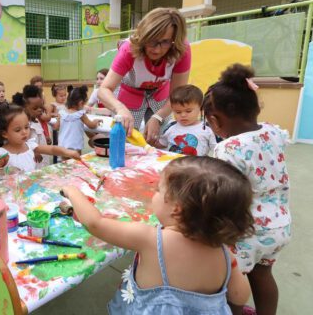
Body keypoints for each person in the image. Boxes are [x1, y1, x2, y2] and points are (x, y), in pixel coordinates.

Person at [61, 156, 254, 313]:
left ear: (176, 210)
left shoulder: (150, 239)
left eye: (157, 190)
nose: (153, 193)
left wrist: (72, 192)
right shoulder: (224, 252)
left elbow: (96, 223)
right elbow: (239, 295)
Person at [203, 64, 291, 315]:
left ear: (215, 120)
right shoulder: (273, 131)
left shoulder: (227, 148)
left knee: (233, 282)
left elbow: (222, 194)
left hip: (246, 231)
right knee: (263, 274)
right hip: (279, 226)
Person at [97, 8, 191, 146]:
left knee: (159, 138)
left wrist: (158, 117)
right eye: (152, 41)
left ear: (174, 41)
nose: (157, 49)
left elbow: (177, 95)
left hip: (160, 95)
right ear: (142, 36)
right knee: (126, 137)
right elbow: (104, 90)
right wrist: (120, 109)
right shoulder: (128, 48)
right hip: (129, 93)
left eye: (165, 42)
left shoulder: (181, 50)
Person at [0, 105, 79, 173]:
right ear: (4, 134)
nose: (24, 132)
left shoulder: (30, 146)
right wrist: (3, 172)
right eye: (18, 130)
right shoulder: (2, 155)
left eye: (26, 127)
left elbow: (52, 149)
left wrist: (68, 152)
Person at [156, 85, 216, 156]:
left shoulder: (207, 128)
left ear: (201, 108)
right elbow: (162, 144)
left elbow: (216, 149)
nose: (183, 115)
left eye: (188, 111)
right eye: (178, 112)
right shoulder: (171, 127)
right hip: (173, 164)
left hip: (198, 165)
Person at [56, 86, 102, 155]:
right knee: (76, 164)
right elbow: (91, 125)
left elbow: (56, 127)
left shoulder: (61, 113)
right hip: (75, 147)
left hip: (62, 147)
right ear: (81, 103)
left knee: (65, 164)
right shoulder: (80, 114)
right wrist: (96, 121)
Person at [12, 85, 48, 168]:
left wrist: (46, 136)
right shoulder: (25, 125)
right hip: (33, 159)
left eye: (41, 106)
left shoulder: (36, 120)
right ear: (24, 108)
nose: (39, 110)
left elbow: (39, 134)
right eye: (35, 108)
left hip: (43, 156)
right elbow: (22, 142)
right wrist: (34, 151)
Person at [30, 75, 52, 144]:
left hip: (42, 116)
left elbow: (45, 105)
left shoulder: (42, 94)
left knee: (45, 129)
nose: (39, 88)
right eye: (37, 86)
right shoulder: (32, 96)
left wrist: (47, 111)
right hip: (36, 117)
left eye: (41, 86)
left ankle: (47, 137)